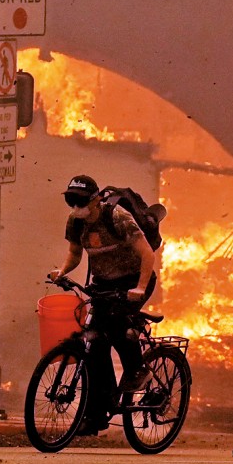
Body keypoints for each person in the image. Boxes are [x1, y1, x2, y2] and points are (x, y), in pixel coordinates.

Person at [48, 174, 158, 435]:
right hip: (103, 283)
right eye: (71, 201)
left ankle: (138, 371)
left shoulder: (117, 217)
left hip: (134, 280)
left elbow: (147, 254)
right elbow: (75, 254)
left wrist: (139, 288)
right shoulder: (75, 221)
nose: (76, 206)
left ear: (96, 199)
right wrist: (62, 271)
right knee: (95, 346)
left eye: (81, 201)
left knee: (118, 326)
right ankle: (97, 413)